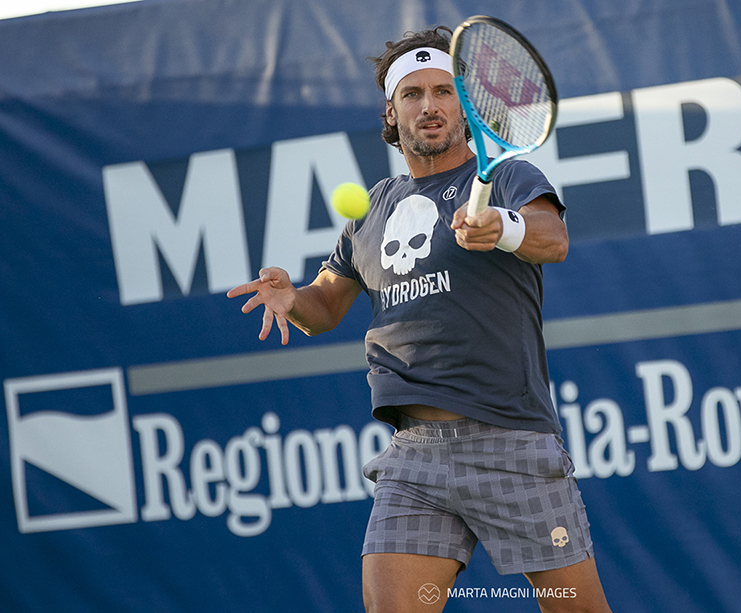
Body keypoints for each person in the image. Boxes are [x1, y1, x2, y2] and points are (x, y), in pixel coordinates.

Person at [227, 26, 612, 613]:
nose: (429, 106)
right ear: (392, 110)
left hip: (508, 438)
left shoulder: (507, 177)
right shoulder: (373, 209)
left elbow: (552, 238)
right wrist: (292, 298)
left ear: (465, 104)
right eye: (413, 94)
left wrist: (503, 229)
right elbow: (325, 305)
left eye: (443, 91)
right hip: (415, 455)